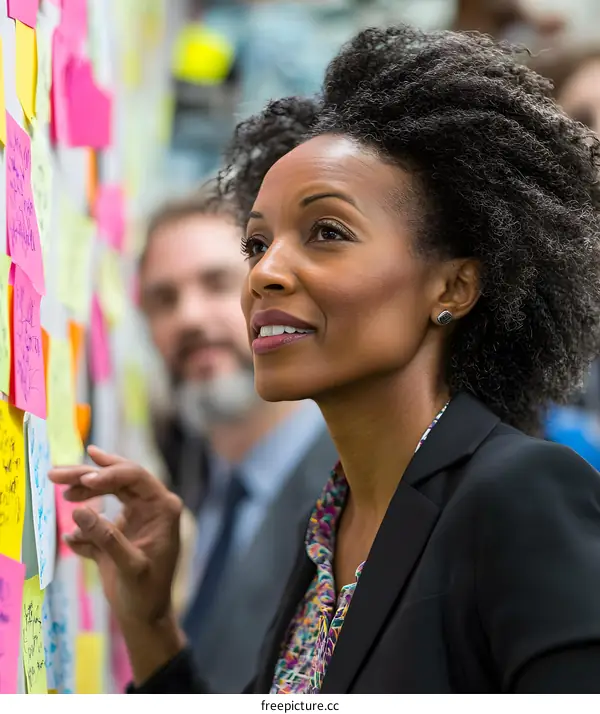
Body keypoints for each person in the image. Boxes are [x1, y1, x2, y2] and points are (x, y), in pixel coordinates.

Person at [51, 25, 600, 693]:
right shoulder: (329, 528)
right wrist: (148, 621)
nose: (265, 274)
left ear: (452, 287)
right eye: (256, 244)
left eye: (328, 232)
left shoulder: (521, 493)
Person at [135, 184, 336, 691]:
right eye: (164, 299)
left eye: (217, 283)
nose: (190, 318)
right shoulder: (191, 491)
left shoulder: (358, 489)